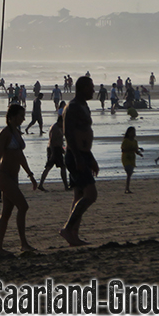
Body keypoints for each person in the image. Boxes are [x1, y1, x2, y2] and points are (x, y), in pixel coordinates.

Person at [0, 103, 37, 256]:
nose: (23, 119)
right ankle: (23, 243)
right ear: (11, 117)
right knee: (23, 206)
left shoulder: (17, 132)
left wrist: (30, 175)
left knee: (6, 212)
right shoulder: (4, 134)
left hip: (14, 175)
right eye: (21, 116)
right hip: (4, 175)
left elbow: (20, 156)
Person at [61, 76, 97, 247]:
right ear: (82, 88)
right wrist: (78, 158)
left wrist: (91, 158)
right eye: (91, 88)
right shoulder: (73, 107)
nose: (93, 91)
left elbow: (85, 132)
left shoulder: (84, 106)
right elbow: (68, 133)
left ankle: (73, 234)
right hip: (75, 155)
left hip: (84, 154)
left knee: (79, 197)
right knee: (91, 194)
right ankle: (67, 229)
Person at [38, 114, 67, 191]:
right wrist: (52, 153)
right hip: (54, 149)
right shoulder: (55, 128)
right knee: (54, 166)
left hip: (57, 149)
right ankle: (66, 186)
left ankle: (41, 184)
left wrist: (62, 149)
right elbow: (52, 140)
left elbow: (61, 139)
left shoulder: (60, 127)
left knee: (54, 167)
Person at [120, 126, 143, 194]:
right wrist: (132, 150)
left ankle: (127, 188)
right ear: (128, 133)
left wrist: (139, 153)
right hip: (126, 158)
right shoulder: (125, 141)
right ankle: (127, 188)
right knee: (129, 172)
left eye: (134, 132)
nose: (133, 134)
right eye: (132, 132)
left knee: (129, 174)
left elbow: (136, 150)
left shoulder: (135, 141)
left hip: (132, 158)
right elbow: (123, 150)